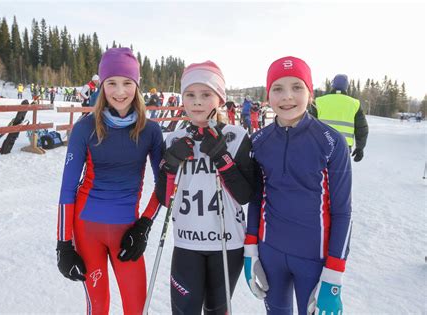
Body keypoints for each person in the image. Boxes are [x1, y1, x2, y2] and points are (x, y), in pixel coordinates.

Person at [55, 47, 164, 314]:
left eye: (127, 83)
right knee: (98, 305)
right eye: (111, 83)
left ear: (137, 86)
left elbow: (165, 186)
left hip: (126, 231)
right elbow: (68, 189)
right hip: (86, 229)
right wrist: (63, 245)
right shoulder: (85, 127)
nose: (119, 91)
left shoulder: (150, 131)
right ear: (102, 85)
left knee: (137, 306)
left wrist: (144, 225)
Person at [245, 56, 352, 314]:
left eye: (297, 87)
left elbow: (343, 212)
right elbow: (256, 199)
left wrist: (334, 275)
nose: (287, 97)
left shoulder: (331, 142)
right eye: (278, 89)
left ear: (310, 93)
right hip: (270, 254)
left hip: (314, 261)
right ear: (268, 95)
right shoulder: (258, 141)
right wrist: (250, 250)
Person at [156, 61, 255, 314]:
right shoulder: (175, 139)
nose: (197, 102)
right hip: (187, 243)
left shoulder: (236, 136)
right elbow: (165, 199)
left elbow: (245, 194)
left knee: (216, 311)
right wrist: (170, 165)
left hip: (226, 243)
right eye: (190, 95)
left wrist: (222, 159)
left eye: (206, 94)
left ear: (220, 99)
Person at [312, 74, 369, 162]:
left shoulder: (319, 101)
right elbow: (362, 129)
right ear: (346, 86)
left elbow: (307, 124)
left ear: (333, 85)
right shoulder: (354, 104)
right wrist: (360, 148)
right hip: (343, 148)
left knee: (318, 174)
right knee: (339, 174)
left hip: (320, 146)